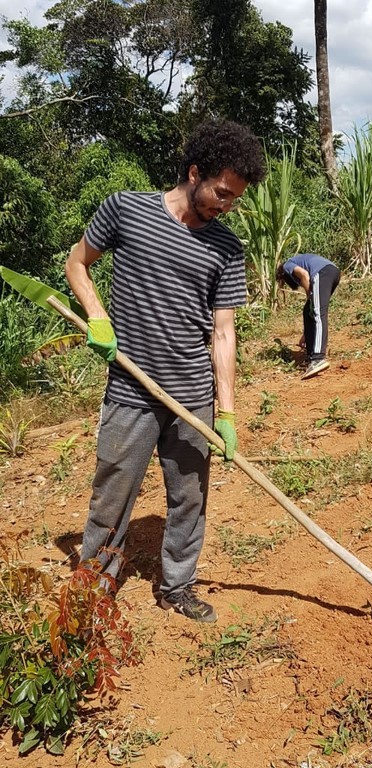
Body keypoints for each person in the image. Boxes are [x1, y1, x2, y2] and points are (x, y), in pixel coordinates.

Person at [65, 119, 266, 623]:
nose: (227, 204)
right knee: (113, 494)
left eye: (235, 198)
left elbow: (223, 333)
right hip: (131, 392)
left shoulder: (226, 248)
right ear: (194, 172)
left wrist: (227, 412)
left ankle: (177, 585)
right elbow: (76, 263)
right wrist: (97, 315)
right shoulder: (126, 210)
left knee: (189, 500)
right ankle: (95, 588)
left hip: (192, 397)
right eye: (221, 192)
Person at [277, 253, 341, 379]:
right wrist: (305, 334)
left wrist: (310, 298)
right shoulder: (298, 260)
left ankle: (317, 358)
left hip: (322, 273)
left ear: (282, 275)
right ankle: (311, 352)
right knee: (309, 311)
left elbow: (305, 276)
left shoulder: (287, 265)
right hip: (334, 272)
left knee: (317, 313)